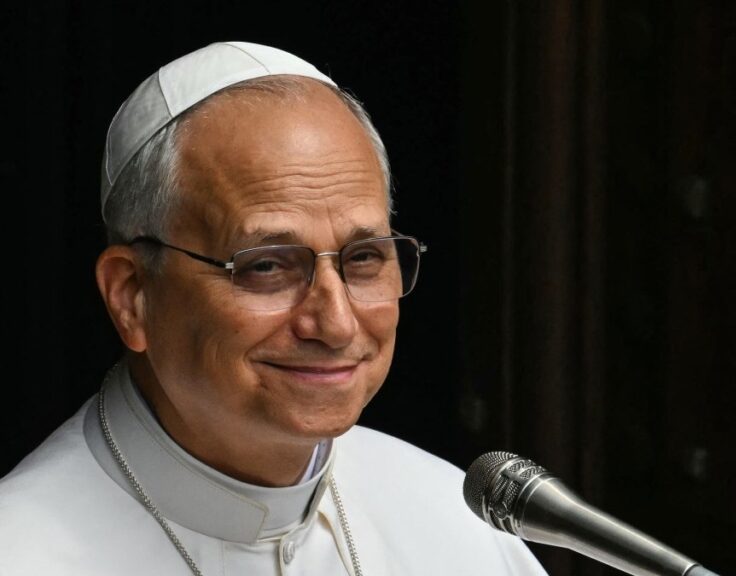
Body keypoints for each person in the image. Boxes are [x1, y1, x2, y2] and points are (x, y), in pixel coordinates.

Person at [0, 41, 547, 576]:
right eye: (266, 266)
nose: (335, 324)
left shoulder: (459, 526)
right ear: (132, 296)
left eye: (362, 258)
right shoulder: (21, 552)